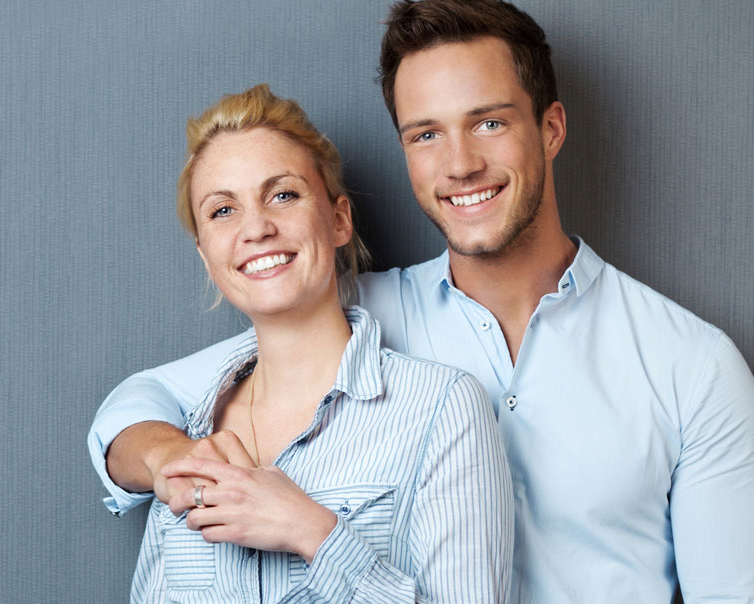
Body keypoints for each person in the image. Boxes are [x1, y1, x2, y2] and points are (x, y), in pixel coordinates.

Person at [89, 1, 754, 603]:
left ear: (550, 129)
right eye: (426, 134)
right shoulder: (358, 315)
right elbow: (141, 403)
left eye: (489, 122)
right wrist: (163, 455)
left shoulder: (691, 365)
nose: (459, 163)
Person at [127, 83, 512, 603]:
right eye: (223, 210)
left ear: (338, 220)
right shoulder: (193, 435)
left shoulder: (441, 410)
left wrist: (313, 532)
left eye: (282, 195)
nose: (257, 228)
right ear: (205, 254)